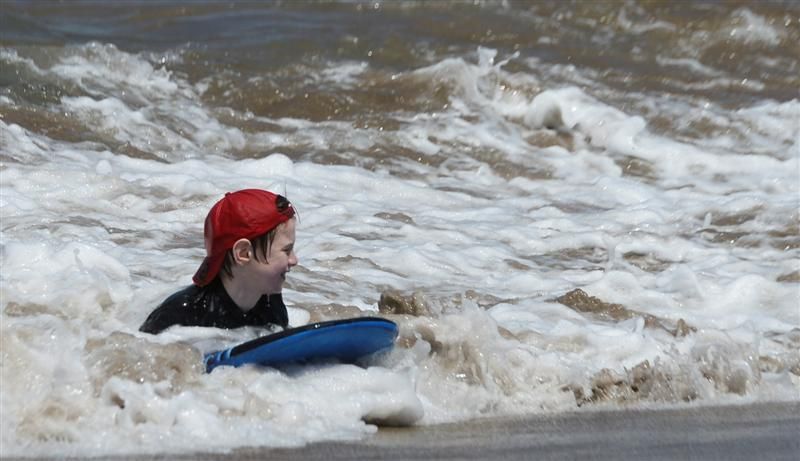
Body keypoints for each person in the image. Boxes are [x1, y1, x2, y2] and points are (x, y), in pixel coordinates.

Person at [140, 189, 298, 334]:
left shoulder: (270, 304)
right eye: (286, 250)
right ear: (243, 253)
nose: (294, 260)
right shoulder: (180, 315)